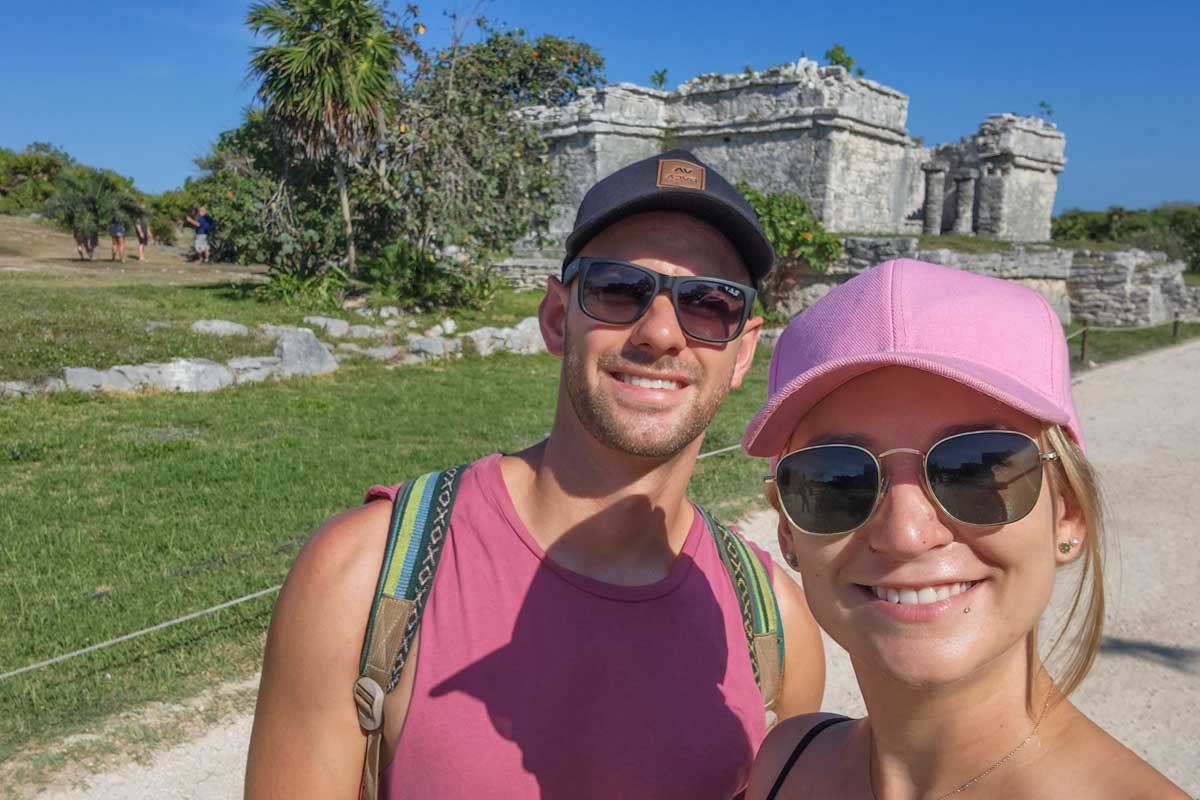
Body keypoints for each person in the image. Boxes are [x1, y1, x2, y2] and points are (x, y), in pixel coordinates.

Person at [245, 149, 827, 799]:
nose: (662, 332)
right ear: (557, 318)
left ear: (743, 349)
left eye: (709, 303)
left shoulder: (774, 628)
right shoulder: (360, 576)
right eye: (617, 289)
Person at [742, 259, 1187, 799]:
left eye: (975, 468)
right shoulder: (785, 761)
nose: (906, 533)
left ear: (1067, 513)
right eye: (840, 479)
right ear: (788, 529)